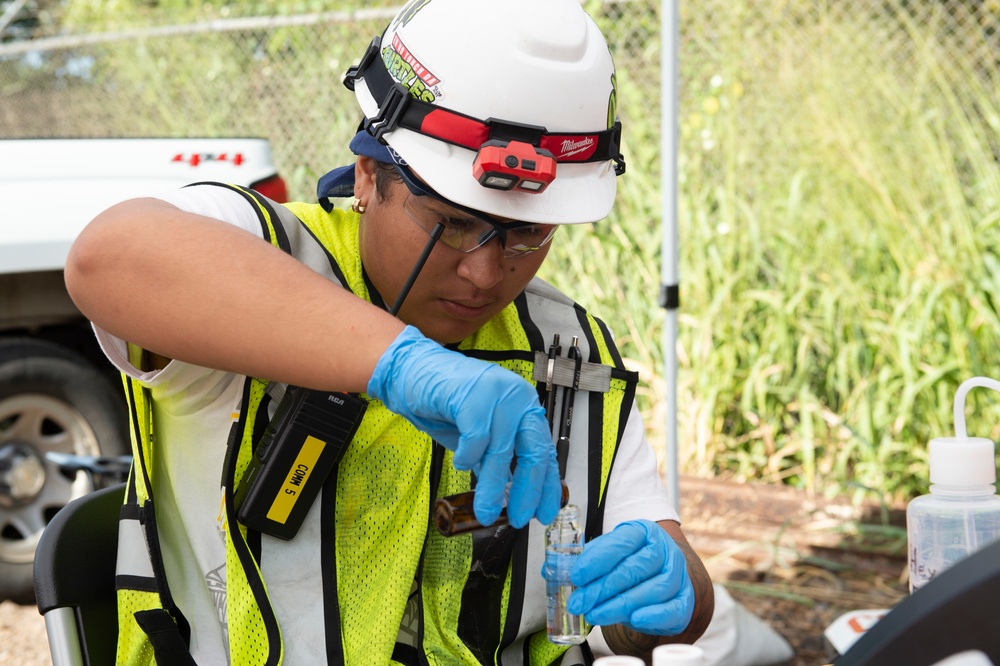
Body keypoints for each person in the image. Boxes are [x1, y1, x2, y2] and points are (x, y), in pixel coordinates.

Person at [65, 0, 714, 663]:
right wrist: (399, 363)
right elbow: (106, 258)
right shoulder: (265, 262)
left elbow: (669, 582)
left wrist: (674, 595)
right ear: (370, 174)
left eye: (526, 233)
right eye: (451, 221)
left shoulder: (569, 356)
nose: (485, 272)